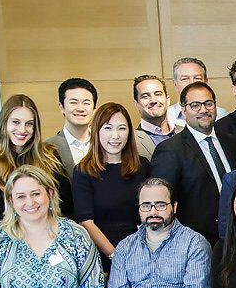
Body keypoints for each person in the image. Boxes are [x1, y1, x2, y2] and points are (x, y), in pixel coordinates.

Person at [150, 82, 236, 242]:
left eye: (208, 104)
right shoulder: (170, 150)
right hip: (196, 244)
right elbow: (163, 204)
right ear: (183, 110)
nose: (203, 110)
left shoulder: (232, 142)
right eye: (195, 105)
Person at [71, 102, 151, 264]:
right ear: (96, 131)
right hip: (105, 255)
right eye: (108, 128)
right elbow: (86, 222)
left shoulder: (143, 166)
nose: (115, 136)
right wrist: (116, 256)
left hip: (143, 250)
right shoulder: (83, 171)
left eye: (122, 128)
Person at [0, 94, 73, 223]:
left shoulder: (49, 154)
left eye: (29, 124)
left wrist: (11, 194)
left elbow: (66, 203)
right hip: (7, 232)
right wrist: (42, 194)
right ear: (4, 123)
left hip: (46, 230)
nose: (22, 129)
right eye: (16, 122)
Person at [47, 77, 96, 177]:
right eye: (73, 102)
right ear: (61, 107)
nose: (80, 108)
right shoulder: (48, 148)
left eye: (86, 103)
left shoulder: (105, 143)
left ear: (94, 109)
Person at [166, 57, 229, 128]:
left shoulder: (222, 115)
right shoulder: (167, 117)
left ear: (206, 82)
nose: (192, 83)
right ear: (175, 84)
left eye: (197, 78)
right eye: (185, 79)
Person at [132, 74, 176, 149]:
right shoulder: (131, 141)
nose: (153, 100)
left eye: (158, 94)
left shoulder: (186, 132)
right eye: (145, 96)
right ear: (136, 104)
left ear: (168, 100)